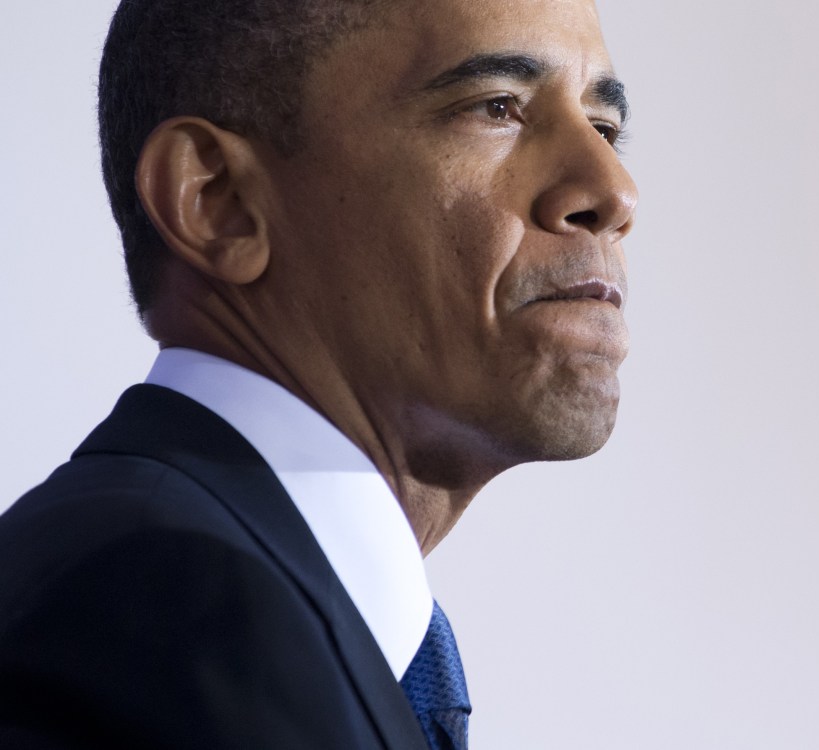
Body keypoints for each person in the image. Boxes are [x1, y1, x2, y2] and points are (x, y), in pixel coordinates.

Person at [0, 0, 637, 746]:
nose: (613, 191)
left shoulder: (242, 611)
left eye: (605, 127)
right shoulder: (147, 616)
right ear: (219, 202)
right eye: (496, 106)